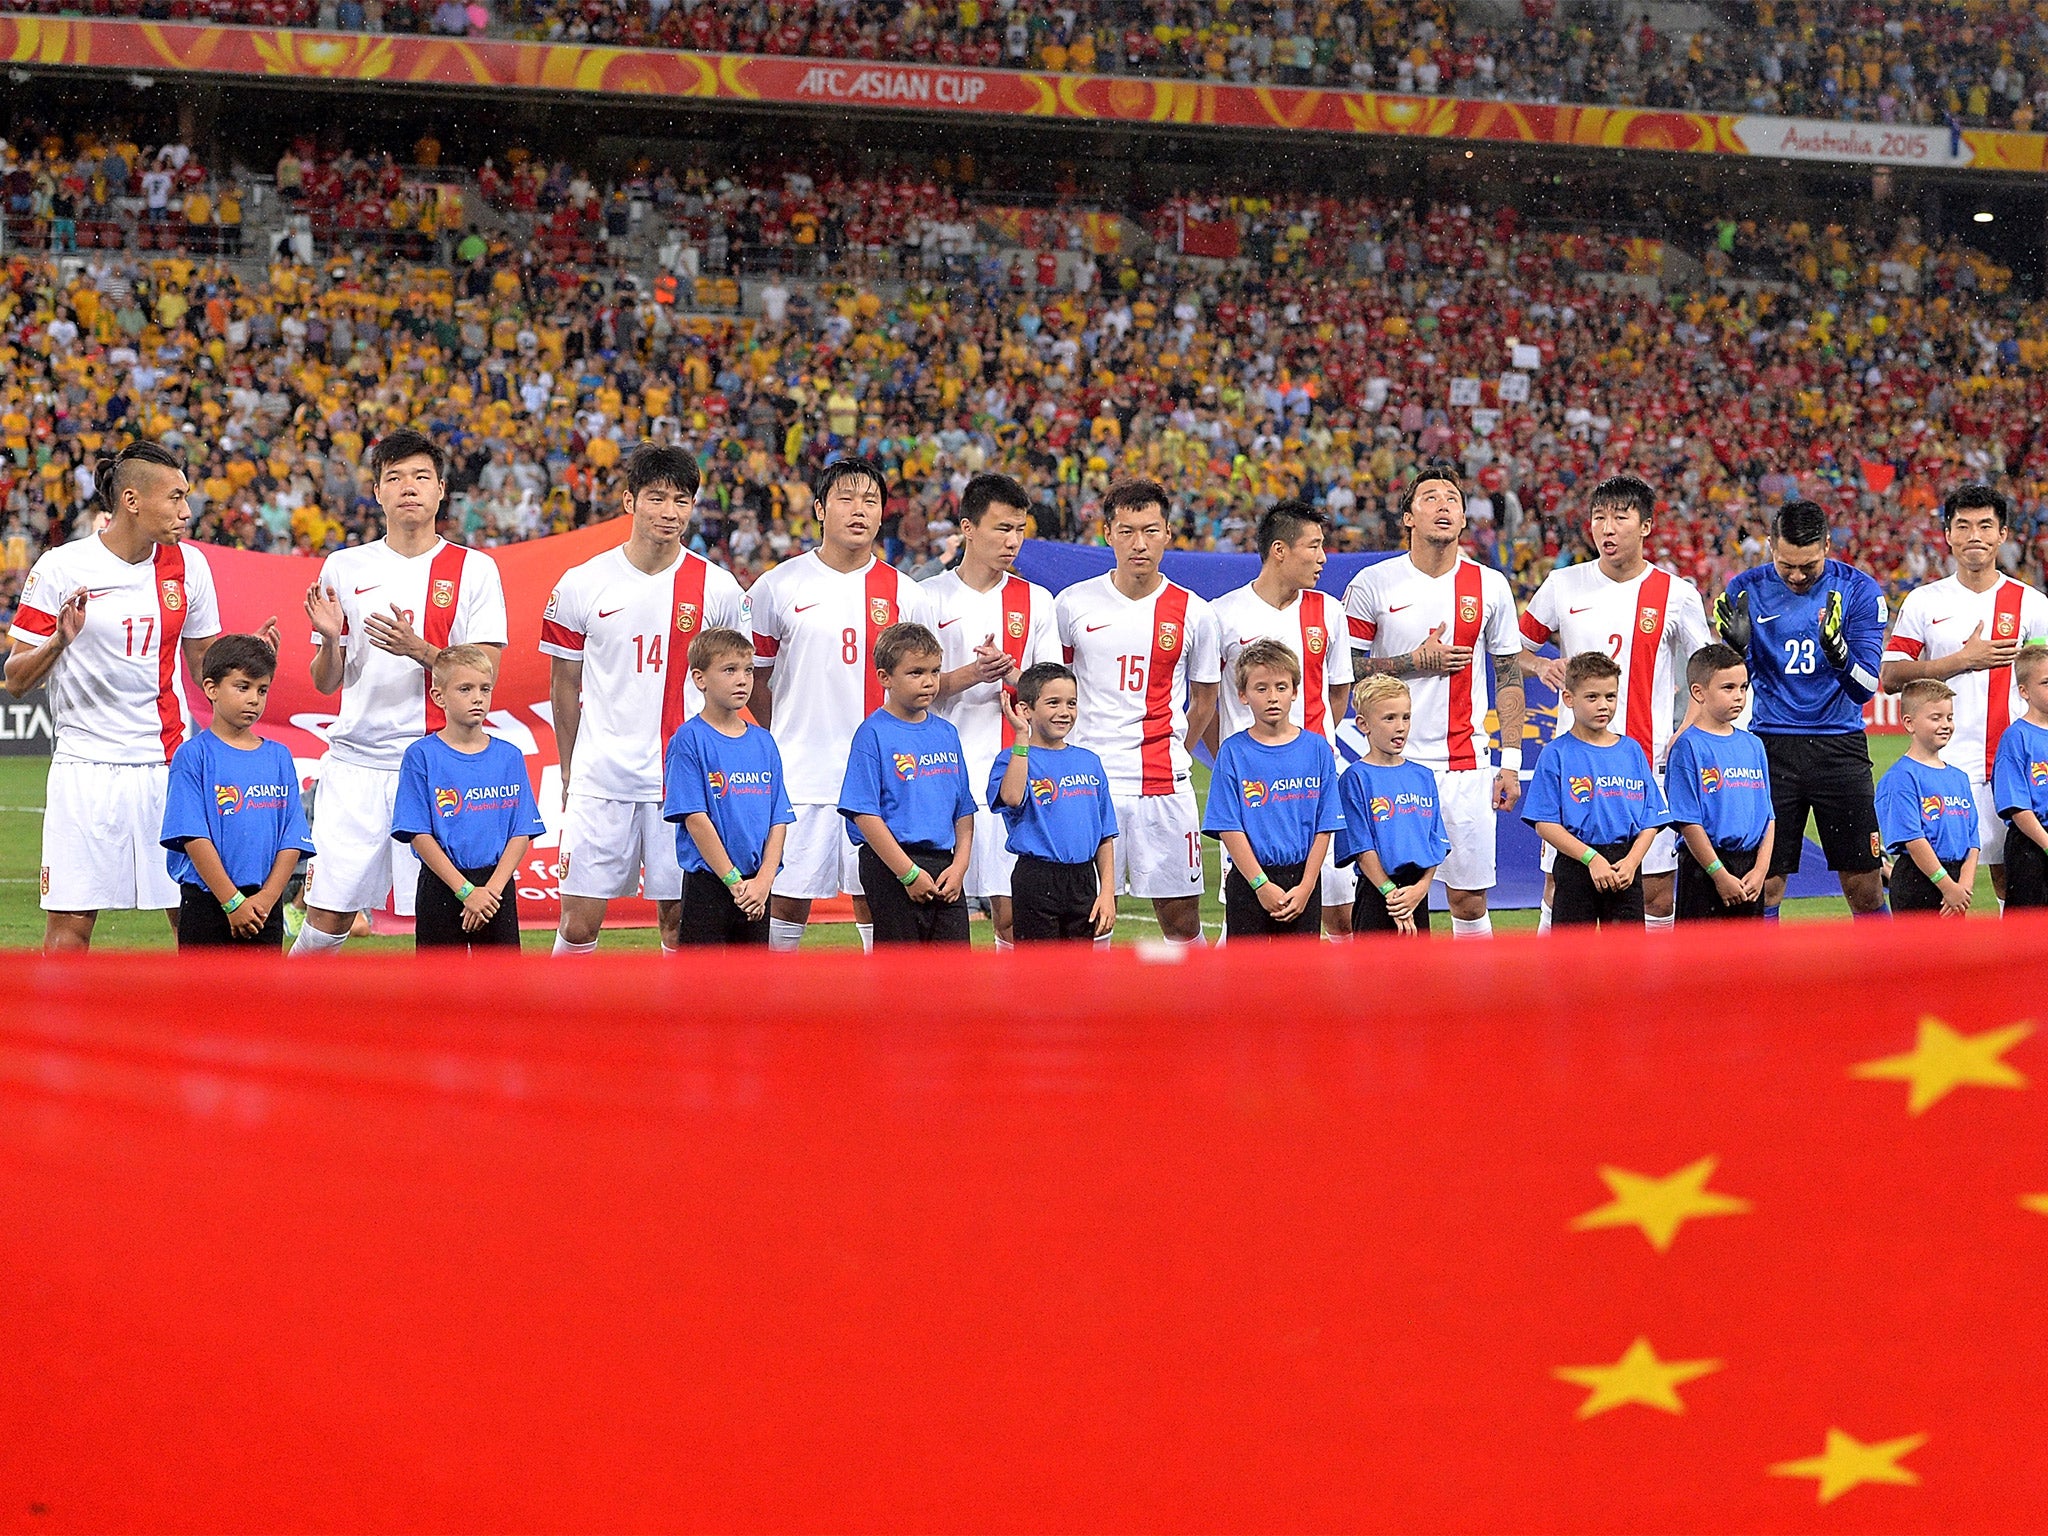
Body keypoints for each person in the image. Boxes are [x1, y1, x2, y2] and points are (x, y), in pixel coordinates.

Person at [4, 441, 272, 953]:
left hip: (168, 767)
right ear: (132, 500)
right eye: (174, 498)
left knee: (192, 923)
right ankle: (60, 1034)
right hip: (85, 768)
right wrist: (61, 640)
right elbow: (17, 679)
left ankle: (198, 1032)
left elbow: (204, 669)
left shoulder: (189, 568)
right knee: (69, 932)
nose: (186, 511)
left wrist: (247, 658)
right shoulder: (62, 568)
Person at [294, 429, 507, 955]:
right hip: (358, 762)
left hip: (440, 766)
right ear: (378, 492)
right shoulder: (345, 567)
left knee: (444, 920)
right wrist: (327, 638)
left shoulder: (474, 569)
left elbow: (486, 672)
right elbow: (325, 683)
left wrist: (422, 650)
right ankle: (284, 1016)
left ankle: (443, 1032)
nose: (408, 487)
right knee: (327, 916)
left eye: (420, 477)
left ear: (440, 491)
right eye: (395, 478)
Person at [540, 444, 749, 955]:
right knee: (578, 925)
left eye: (681, 500)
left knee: (679, 924)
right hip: (601, 778)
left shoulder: (717, 588)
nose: (670, 512)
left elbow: (732, 686)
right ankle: (559, 1030)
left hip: (682, 785)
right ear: (630, 501)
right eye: (657, 498)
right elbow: (563, 685)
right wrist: (570, 770)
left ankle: (675, 1032)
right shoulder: (582, 583)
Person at [750, 457, 934, 952]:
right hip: (802, 771)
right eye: (846, 499)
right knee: (788, 896)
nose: (859, 511)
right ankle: (774, 1004)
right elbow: (757, 679)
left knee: (874, 895)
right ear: (819, 509)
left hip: (882, 779)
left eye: (870, 501)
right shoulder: (777, 586)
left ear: (881, 515)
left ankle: (883, 1010)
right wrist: (786, 734)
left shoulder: (906, 594)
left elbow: (922, 685)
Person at [1517, 474, 1711, 932]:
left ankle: (1650, 994)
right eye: (1599, 518)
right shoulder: (1563, 584)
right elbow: (1514, 650)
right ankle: (1554, 990)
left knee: (1657, 889)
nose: (1607, 528)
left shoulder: (1675, 593)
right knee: (1560, 884)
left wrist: (1690, 726)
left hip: (1646, 759)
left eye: (1620, 518)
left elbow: (1705, 671)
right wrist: (1539, 665)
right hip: (1575, 762)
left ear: (1645, 526)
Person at [1343, 460, 1525, 937]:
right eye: (1430, 497)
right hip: (1390, 768)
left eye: (1453, 500)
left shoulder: (1490, 585)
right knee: (1387, 895)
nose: (1443, 506)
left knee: (1467, 898)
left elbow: (1507, 675)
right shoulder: (1372, 584)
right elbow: (1344, 672)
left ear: (1465, 518)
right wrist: (1411, 663)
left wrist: (1509, 761)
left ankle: (1475, 1003)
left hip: (1463, 763)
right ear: (1408, 517)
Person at [1056, 479, 1221, 948]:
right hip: (1090, 785)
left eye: (1150, 530)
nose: (1139, 544)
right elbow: (1057, 690)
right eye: (1126, 531)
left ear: (1169, 533)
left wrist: (1176, 752)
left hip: (1163, 788)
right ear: (1107, 533)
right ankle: (1091, 1019)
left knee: (1182, 923)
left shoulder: (1195, 613)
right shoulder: (1072, 604)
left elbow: (1205, 698)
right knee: (1087, 920)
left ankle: (1192, 1017)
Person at [1714, 499, 1887, 918]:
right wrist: (1735, 651)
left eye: (1807, 566)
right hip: (1772, 748)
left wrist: (1840, 654)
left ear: (1827, 545)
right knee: (1765, 882)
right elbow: (1738, 683)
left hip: (1839, 747)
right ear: (1771, 545)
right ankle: (1764, 981)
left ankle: (1884, 981)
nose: (1795, 575)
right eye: (1785, 564)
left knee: (1864, 885)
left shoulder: (1859, 591)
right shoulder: (1745, 589)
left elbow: (1866, 688)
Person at [1880, 484, 2048, 905]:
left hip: (2015, 765)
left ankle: (2013, 969)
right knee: (1942, 884)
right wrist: (1961, 660)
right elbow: (1890, 675)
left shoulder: (2032, 604)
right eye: (1964, 526)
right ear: (1948, 534)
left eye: (1986, 526)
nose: (1975, 535)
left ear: (2003, 534)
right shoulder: (1924, 601)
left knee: (2017, 880)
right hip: (1946, 767)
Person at [922, 472, 1060, 948]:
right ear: (967, 528)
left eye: (1020, 529)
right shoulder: (927, 597)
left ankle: (1011, 1017)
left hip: (1011, 778)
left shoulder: (1035, 600)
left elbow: (1052, 694)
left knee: (1010, 916)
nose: (1014, 541)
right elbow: (904, 688)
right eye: (1002, 528)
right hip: (940, 776)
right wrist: (970, 675)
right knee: (936, 911)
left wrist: (1012, 675)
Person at [1210, 499, 1357, 934]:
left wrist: (1303, 750)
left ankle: (1342, 1001)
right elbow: (1208, 701)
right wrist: (1239, 762)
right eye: (1313, 546)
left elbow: (1339, 692)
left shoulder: (1328, 611)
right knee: (1247, 909)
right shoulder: (1221, 614)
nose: (1323, 557)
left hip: (1315, 780)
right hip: (1251, 792)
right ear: (1279, 550)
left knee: (1339, 911)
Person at [159, 634, 314, 950]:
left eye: (262, 690)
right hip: (207, 904)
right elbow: (193, 836)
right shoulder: (193, 756)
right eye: (242, 687)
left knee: (261, 999)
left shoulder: (278, 756)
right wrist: (232, 903)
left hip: (262, 909)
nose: (254, 699)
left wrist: (268, 900)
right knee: (205, 999)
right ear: (211, 689)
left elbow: (292, 838)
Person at [391, 646, 544, 950]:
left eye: (485, 689)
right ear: (439, 697)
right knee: (442, 991)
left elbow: (522, 831)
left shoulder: (509, 756)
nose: (477, 697)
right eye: (465, 688)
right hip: (442, 885)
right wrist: (466, 892)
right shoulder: (422, 756)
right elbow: (418, 834)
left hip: (496, 889)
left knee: (504, 990)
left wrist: (491, 892)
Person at [837, 622, 976, 946]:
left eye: (935, 671)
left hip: (944, 865)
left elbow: (963, 810)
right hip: (891, 865)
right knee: (902, 979)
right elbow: (865, 814)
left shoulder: (946, 733)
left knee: (955, 979)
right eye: (916, 673)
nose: (929, 682)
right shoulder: (872, 734)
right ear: (885, 677)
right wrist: (908, 873)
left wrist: (960, 866)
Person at [661, 628, 795, 947]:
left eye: (748, 670)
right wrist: (734, 881)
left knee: (751, 988)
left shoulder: (764, 741)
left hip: (756, 888)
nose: (743, 680)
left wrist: (764, 880)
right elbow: (695, 818)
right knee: (702, 989)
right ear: (700, 678)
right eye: (729, 670)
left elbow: (779, 819)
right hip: (711, 883)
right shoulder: (689, 740)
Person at [1202, 639, 1341, 939]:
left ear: (1295, 691)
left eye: (1281, 687)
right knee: (1248, 980)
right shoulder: (1233, 752)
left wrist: (1306, 886)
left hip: (1303, 882)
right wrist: (1261, 885)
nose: (1272, 697)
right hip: (1250, 882)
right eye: (1261, 688)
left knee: (1299, 979)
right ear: (1242, 695)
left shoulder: (1317, 749)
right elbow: (1228, 827)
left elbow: (1325, 824)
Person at [1522, 651, 1669, 929]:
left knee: (1627, 960)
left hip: (1625, 865)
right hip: (1577, 863)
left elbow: (1652, 818)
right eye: (1592, 697)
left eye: (1610, 696)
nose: (1603, 705)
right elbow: (1545, 823)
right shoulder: (1556, 754)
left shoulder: (1632, 751)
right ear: (1569, 699)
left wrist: (1632, 861)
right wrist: (1591, 859)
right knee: (1573, 961)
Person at [989, 661, 1119, 942]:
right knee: (1040, 976)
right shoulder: (1013, 759)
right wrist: (1021, 736)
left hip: (1083, 880)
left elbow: (1105, 835)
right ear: (1026, 709)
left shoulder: (1089, 762)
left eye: (1071, 703)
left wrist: (1106, 891)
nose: (1064, 712)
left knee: (1078, 975)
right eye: (1053, 703)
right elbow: (1011, 798)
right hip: (1037, 877)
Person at [1663, 644, 1775, 920]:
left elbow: (1768, 817)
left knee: (1748, 960)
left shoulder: (1753, 744)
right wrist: (1719, 874)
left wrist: (1760, 871)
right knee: (1701, 959)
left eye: (1743, 687)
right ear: (1699, 693)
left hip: (1749, 870)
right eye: (1728, 688)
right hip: (1705, 869)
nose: (1739, 696)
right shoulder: (1688, 747)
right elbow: (1688, 822)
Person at [1335, 675, 1449, 937]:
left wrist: (1420, 889)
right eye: (1390, 718)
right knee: (1373, 975)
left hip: (1416, 895)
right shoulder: (1355, 778)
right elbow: (1362, 848)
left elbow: (1434, 842)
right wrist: (1393, 896)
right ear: (1364, 724)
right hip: (1378, 893)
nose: (1400, 727)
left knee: (1417, 975)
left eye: (1406, 717)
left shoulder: (1422, 776)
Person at [1876, 678, 1979, 916]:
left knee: (1952, 953)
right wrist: (1947, 886)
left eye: (1949, 717)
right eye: (1936, 718)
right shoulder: (1901, 778)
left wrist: (1963, 885)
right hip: (1919, 880)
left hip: (1955, 884)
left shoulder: (1959, 778)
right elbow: (1913, 840)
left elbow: (1973, 839)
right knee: (1918, 953)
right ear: (1909, 724)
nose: (1946, 725)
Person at [1991, 647, 2048, 910]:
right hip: (2032, 847)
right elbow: (2017, 806)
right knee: (2032, 936)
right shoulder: (2016, 738)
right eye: (2046, 682)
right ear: (2024, 692)